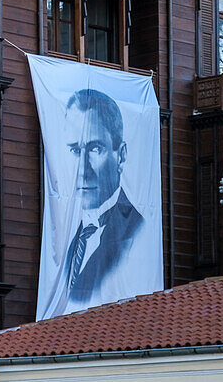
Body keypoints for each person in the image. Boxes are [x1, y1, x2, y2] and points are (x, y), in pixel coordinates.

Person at [62, 88, 144, 305]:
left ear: (121, 155)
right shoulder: (71, 239)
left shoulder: (138, 232)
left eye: (95, 149)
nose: (83, 169)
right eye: (74, 151)